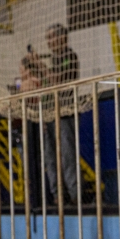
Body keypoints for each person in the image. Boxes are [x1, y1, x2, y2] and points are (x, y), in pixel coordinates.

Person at [27, 24, 80, 205]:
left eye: (52, 37)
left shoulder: (69, 56)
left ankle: (75, 195)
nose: (49, 41)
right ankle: (58, 195)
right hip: (49, 113)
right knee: (50, 157)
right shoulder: (51, 60)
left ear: (62, 37)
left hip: (65, 112)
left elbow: (57, 81)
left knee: (67, 155)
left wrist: (40, 65)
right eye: (47, 38)